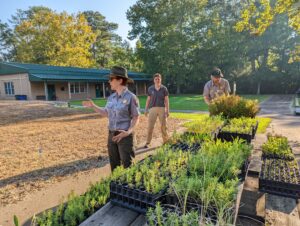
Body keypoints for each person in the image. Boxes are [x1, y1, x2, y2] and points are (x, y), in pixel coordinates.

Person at [82, 66, 140, 172]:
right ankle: (117, 188)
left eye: (111, 79)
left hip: (125, 136)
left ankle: (129, 187)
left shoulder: (131, 97)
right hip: (111, 135)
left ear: (120, 80)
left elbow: (136, 117)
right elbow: (106, 113)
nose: (109, 81)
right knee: (114, 167)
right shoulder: (111, 98)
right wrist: (93, 106)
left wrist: (128, 132)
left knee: (128, 167)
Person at [144, 73, 169, 148]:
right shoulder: (150, 88)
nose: (157, 80)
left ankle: (165, 141)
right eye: (156, 79)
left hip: (162, 108)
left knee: (164, 126)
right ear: (154, 80)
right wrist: (146, 109)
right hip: (152, 109)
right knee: (150, 126)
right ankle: (148, 143)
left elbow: (166, 100)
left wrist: (167, 110)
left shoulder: (164, 88)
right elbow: (148, 100)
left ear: (161, 79)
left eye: (159, 79)